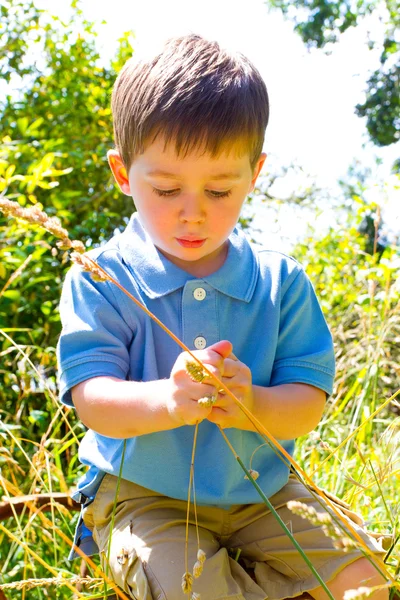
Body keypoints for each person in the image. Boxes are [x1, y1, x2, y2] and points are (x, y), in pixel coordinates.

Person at [57, 33, 388, 600]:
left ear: (254, 174)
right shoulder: (104, 277)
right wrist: (168, 400)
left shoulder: (278, 282)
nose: (193, 213)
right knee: (202, 591)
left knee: (366, 581)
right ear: (122, 174)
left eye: (219, 188)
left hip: (265, 494)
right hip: (142, 497)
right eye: (165, 189)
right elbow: (93, 400)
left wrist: (254, 405)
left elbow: (308, 398)